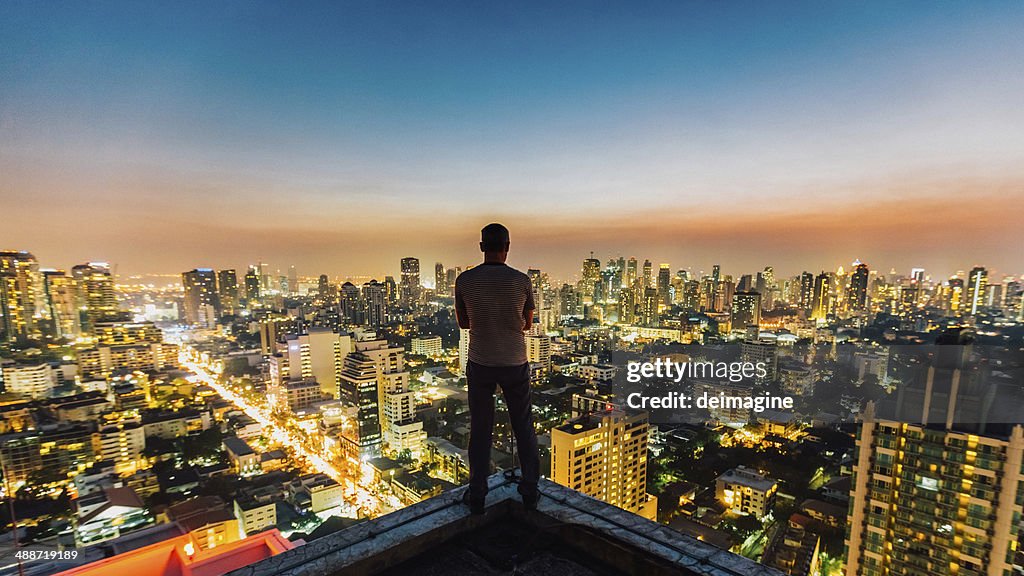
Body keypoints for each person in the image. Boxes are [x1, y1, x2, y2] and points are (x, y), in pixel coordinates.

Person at [454, 223, 540, 514]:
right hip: (515, 363)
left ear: (481, 247)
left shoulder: (465, 281)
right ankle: (530, 490)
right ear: (508, 246)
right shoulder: (522, 281)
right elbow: (527, 324)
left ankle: (477, 494)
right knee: (523, 426)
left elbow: (464, 323)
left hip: (481, 363)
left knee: (480, 429)